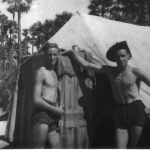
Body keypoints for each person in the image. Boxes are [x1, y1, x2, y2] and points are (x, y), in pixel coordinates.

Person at [61, 41, 150, 149]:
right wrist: (71, 52)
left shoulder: (136, 72)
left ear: (128, 56)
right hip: (120, 110)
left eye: (123, 56)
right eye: (117, 57)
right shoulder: (109, 71)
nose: (120, 59)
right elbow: (86, 65)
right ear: (114, 59)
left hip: (136, 108)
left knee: (135, 145)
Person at [32, 42, 65, 149]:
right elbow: (36, 100)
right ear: (44, 55)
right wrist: (56, 111)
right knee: (39, 147)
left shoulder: (54, 73)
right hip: (42, 113)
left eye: (55, 54)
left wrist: (58, 115)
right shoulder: (41, 72)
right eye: (49, 55)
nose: (52, 57)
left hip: (53, 113)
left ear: (58, 55)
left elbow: (55, 95)